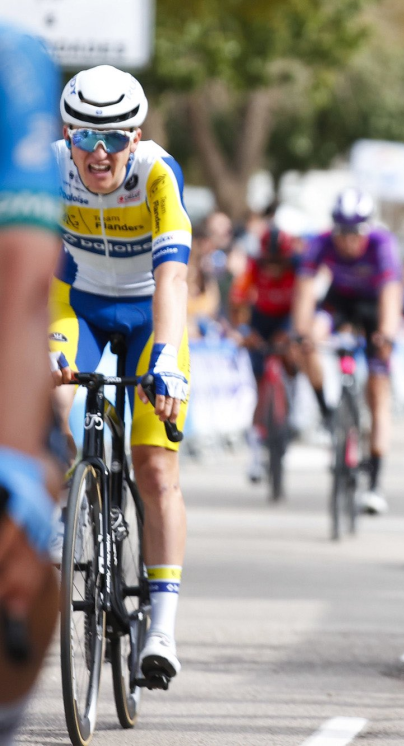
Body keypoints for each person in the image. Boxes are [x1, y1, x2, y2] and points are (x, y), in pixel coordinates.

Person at [47, 66, 191, 684]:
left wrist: (165, 361)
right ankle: (64, 513)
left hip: (146, 311)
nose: (98, 153)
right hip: (71, 302)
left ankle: (161, 628)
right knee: (49, 402)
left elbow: (175, 278)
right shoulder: (46, 167)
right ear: (66, 134)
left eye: (113, 138)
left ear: (136, 137)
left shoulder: (158, 173)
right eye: (85, 138)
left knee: (156, 466)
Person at [0, 24, 62, 745]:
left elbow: (21, 287)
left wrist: (12, 471)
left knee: (33, 497)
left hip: (105, 303)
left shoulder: (12, 64)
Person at [293, 188, 403, 514]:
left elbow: (391, 294)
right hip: (340, 303)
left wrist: (386, 335)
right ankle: (328, 415)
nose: (347, 240)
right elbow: (304, 290)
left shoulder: (383, 245)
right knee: (309, 338)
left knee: (378, 392)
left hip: (373, 307)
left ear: (366, 230)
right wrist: (302, 334)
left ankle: (375, 484)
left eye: (354, 232)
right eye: (341, 232)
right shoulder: (321, 241)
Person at [230, 227, 302, 483]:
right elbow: (237, 300)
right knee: (260, 386)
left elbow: (306, 302)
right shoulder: (253, 266)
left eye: (278, 262)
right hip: (261, 321)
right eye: (269, 261)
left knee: (293, 357)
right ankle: (255, 454)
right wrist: (243, 331)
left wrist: (293, 332)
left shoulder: (297, 267)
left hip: (286, 320)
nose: (273, 267)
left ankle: (292, 407)